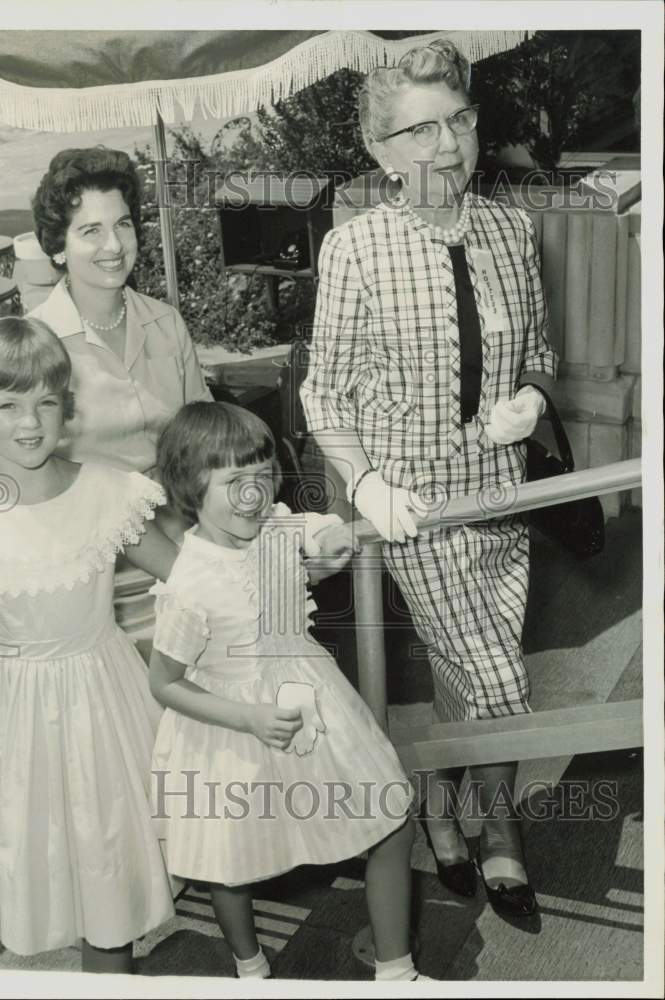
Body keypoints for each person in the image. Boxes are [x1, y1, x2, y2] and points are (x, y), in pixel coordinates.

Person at [299, 38, 557, 920]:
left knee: (462, 672)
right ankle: (499, 834)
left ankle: (438, 809)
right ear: (379, 152)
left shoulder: (510, 229)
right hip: (415, 506)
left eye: (457, 121)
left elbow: (539, 354)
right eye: (417, 132)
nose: (444, 146)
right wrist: (367, 485)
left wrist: (528, 396)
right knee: (499, 681)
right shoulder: (355, 250)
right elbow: (322, 392)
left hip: (505, 495)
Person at [0, 316, 181, 972]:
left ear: (66, 408)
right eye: (8, 404)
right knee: (55, 869)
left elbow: (190, 576)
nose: (29, 423)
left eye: (46, 402)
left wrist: (287, 543)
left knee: (111, 880)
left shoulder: (109, 494)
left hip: (106, 704)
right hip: (19, 724)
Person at [148, 401, 431, 982]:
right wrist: (246, 718)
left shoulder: (272, 527)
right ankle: (251, 968)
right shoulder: (189, 583)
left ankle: (396, 972)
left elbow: (310, 531)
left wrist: (328, 539)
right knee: (229, 861)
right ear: (189, 488)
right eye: (233, 482)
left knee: (390, 818)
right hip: (230, 725)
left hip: (312, 700)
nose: (253, 495)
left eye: (262, 476)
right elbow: (165, 683)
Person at [30, 146, 212, 477]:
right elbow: (27, 472)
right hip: (89, 518)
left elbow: (205, 431)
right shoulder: (33, 345)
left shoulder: (166, 322)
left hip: (179, 506)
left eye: (123, 225)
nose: (114, 245)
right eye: (91, 230)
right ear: (58, 246)